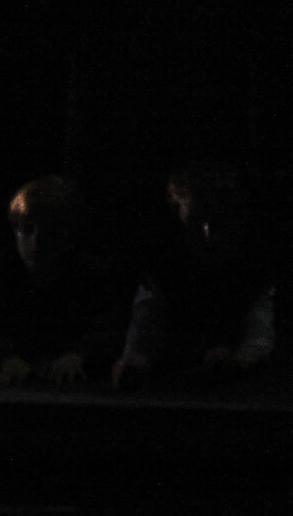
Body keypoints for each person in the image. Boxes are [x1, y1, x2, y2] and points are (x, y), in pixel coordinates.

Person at [113, 164, 277, 390]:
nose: (207, 233)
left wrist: (238, 359)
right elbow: (146, 324)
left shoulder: (251, 264)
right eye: (196, 221)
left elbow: (260, 334)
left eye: (217, 221)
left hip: (243, 388)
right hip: (172, 382)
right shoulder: (164, 265)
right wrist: (134, 359)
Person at [0, 176, 124, 388]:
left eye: (51, 231)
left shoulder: (94, 275)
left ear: (69, 232)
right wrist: (6, 357)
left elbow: (111, 328)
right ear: (14, 229)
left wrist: (80, 355)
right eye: (27, 229)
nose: (37, 242)